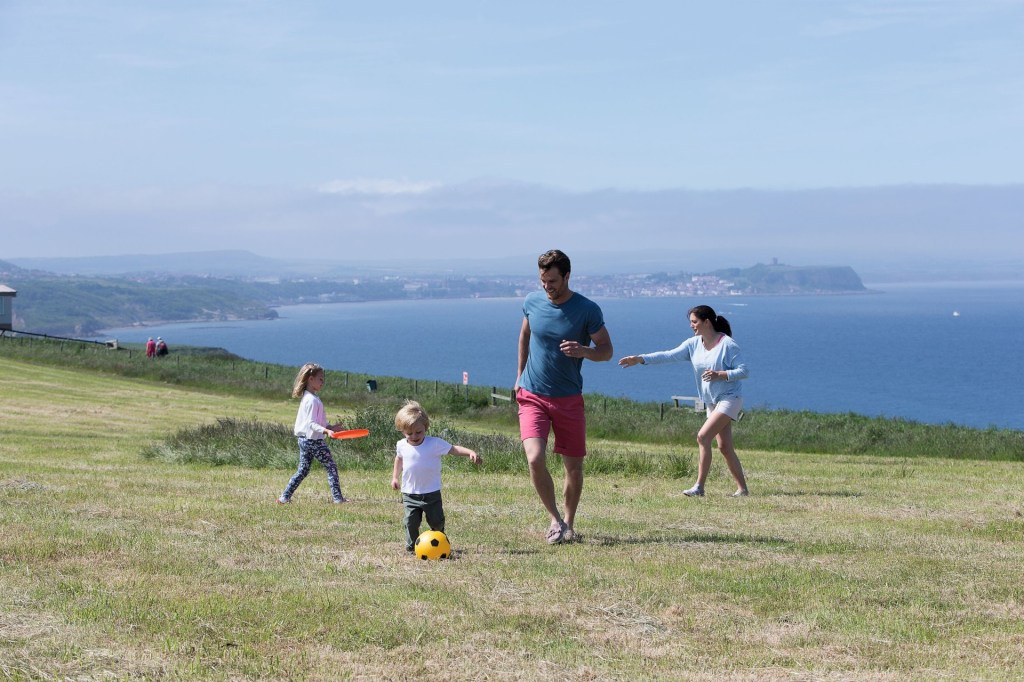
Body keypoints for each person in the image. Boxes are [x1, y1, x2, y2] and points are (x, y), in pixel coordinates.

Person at [517, 249, 613, 545]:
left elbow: (606, 350)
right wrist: (519, 376)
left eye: (553, 280)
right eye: (543, 280)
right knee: (534, 458)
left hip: (569, 398)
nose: (547, 286)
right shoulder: (532, 302)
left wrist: (585, 351)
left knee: (573, 466)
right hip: (532, 394)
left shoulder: (587, 310)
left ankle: (569, 522)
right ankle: (554, 520)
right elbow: (524, 336)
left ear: (567, 276)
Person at [618, 304, 750, 497]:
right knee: (725, 447)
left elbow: (744, 371)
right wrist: (640, 359)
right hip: (712, 401)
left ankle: (699, 487)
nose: (691, 326)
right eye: (691, 322)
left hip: (730, 398)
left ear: (707, 322)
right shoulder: (693, 344)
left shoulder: (728, 345)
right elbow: (669, 355)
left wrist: (720, 374)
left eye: (694, 322)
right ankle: (743, 490)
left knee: (703, 437)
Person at [391, 400, 482, 553]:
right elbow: (399, 459)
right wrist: (395, 477)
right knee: (410, 522)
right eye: (409, 433)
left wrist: (470, 452)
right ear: (402, 431)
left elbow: (453, 449)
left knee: (436, 521)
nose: (414, 436)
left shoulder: (434, 444)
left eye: (418, 432)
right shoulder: (401, 445)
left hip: (431, 492)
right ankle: (412, 547)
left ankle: (441, 543)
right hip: (410, 493)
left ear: (425, 427)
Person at [277, 363, 348, 504]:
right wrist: (326, 431)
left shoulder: (311, 398)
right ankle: (338, 498)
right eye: (320, 379)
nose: (323, 382)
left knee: (303, 470)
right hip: (313, 441)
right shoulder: (311, 400)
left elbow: (318, 422)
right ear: (310, 379)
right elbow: (311, 424)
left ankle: (284, 497)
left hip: (304, 439)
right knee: (331, 467)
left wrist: (331, 427)